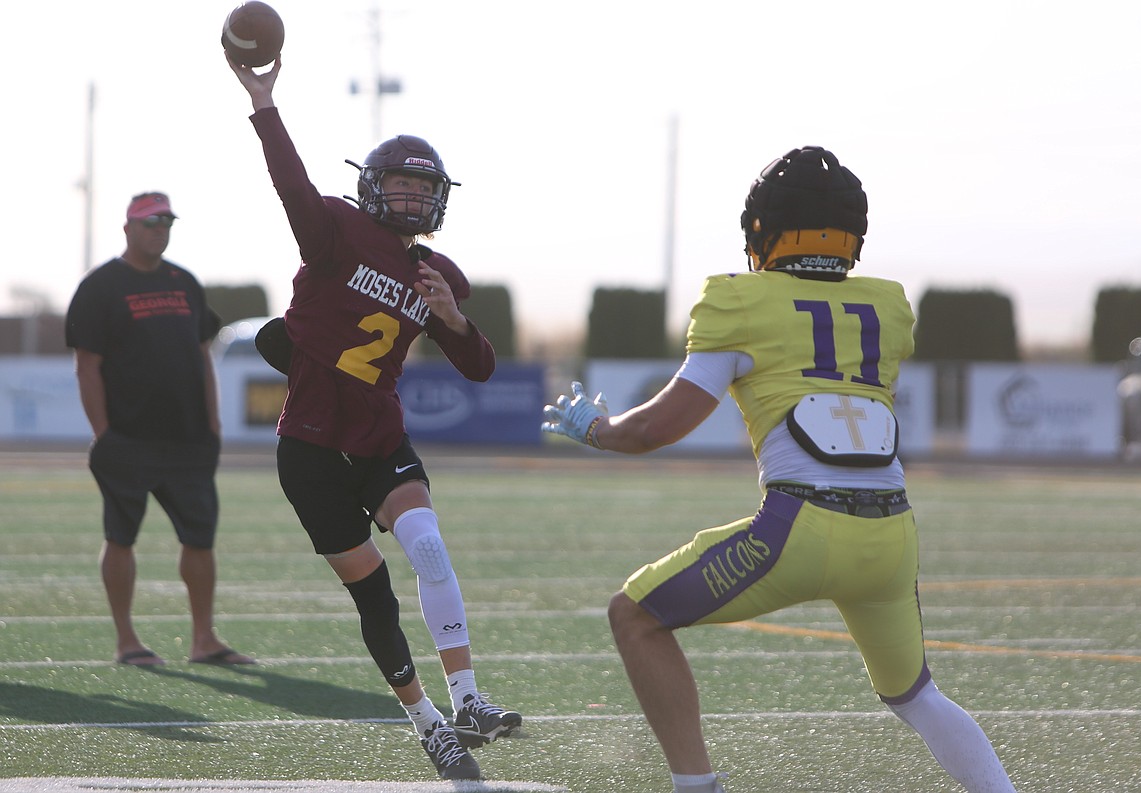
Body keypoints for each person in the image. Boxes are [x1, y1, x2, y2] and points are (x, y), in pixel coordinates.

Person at [543, 147, 1017, 793]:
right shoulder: (889, 306)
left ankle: (696, 786)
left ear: (764, 230)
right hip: (892, 536)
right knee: (916, 695)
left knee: (634, 615)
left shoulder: (739, 301)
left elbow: (657, 426)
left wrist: (599, 431)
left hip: (800, 527)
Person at [225, 54, 520, 782]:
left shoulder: (437, 275)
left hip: (379, 431)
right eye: (401, 184)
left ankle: (469, 699)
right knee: (375, 594)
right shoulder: (334, 231)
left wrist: (453, 320)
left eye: (425, 189)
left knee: (426, 542)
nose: (414, 199)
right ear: (370, 187)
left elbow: (480, 366)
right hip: (310, 447)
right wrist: (265, 105)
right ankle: (427, 723)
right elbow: (290, 184)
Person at [66, 192, 254, 669]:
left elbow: (201, 356)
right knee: (122, 535)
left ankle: (204, 640)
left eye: (166, 221)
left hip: (190, 439)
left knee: (200, 538)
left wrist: (212, 423)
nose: (160, 228)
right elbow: (87, 366)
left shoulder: (184, 282)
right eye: (151, 221)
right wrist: (104, 432)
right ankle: (127, 640)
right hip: (127, 439)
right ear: (128, 227)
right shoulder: (101, 286)